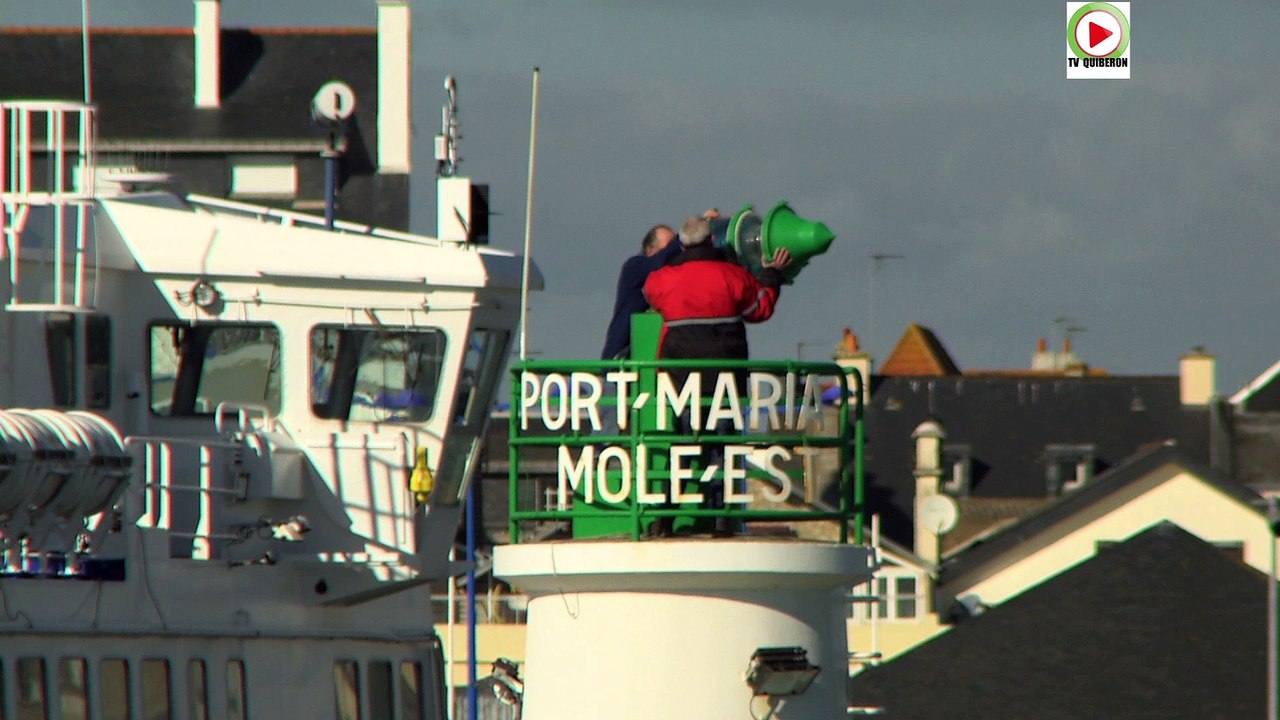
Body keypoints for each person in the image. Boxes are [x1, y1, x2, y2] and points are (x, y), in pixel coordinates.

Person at [642, 214, 792, 536]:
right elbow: (761, 309)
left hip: (680, 382)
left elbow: (651, 294)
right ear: (712, 241)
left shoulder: (663, 280)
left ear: (682, 244)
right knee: (722, 448)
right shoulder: (733, 276)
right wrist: (772, 275)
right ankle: (722, 519)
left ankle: (664, 519)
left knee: (680, 446)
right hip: (726, 381)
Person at [600, 210, 721, 361]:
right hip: (621, 358)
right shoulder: (634, 266)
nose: (676, 253)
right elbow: (659, 262)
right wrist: (692, 232)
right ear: (651, 250)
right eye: (669, 246)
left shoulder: (675, 278)